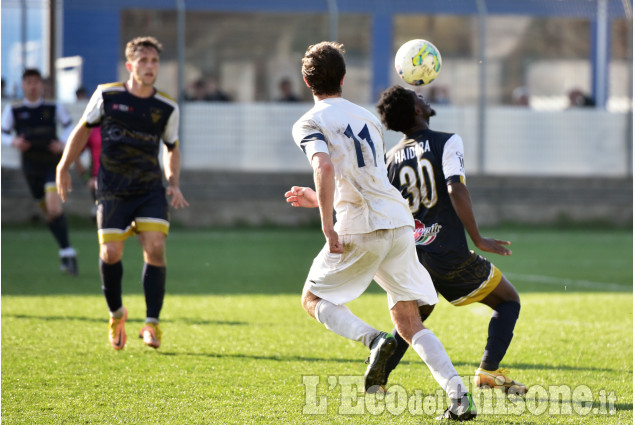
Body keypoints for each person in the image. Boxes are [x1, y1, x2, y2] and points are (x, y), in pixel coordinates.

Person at [284, 42, 476, 421]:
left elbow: (324, 167)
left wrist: (327, 223)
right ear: (343, 78)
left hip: (360, 224)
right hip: (397, 219)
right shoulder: (368, 118)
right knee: (408, 321)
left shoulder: (307, 122)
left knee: (312, 298)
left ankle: (372, 341)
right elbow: (360, 173)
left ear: (307, 81)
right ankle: (459, 397)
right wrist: (322, 198)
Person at [375, 85, 525, 394]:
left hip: (412, 256)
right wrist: (478, 238)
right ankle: (488, 370)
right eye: (417, 96)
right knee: (508, 301)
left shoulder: (389, 159)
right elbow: (455, 188)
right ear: (416, 110)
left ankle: (377, 376)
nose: (423, 96)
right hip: (448, 252)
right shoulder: (446, 141)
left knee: (412, 321)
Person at [56, 36, 189, 351]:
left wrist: (173, 181)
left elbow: (172, 148)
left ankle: (152, 323)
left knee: (155, 247)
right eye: (143, 61)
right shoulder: (107, 94)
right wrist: (63, 166)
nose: (149, 66)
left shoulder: (166, 106)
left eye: (154, 61)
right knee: (110, 254)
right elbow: (83, 129)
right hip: (113, 189)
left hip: (148, 189)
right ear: (130, 66)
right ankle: (117, 314)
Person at [1, 68, 78, 276]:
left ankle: (68, 251)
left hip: (52, 164)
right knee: (49, 214)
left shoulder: (53, 108)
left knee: (53, 207)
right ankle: (65, 251)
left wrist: (62, 143)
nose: (33, 86)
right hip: (30, 167)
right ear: (23, 85)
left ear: (42, 85)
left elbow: (70, 126)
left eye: (36, 82)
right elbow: (2, 133)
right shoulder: (14, 110)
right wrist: (13, 141)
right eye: (28, 82)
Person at [73, 86, 101, 219]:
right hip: (98, 179)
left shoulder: (121, 128)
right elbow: (76, 154)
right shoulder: (91, 130)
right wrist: (86, 178)